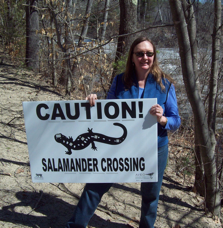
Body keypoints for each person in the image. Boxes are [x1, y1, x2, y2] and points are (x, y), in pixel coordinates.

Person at [66, 36, 181, 228]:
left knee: (151, 195)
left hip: (155, 147)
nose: (145, 57)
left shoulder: (165, 84)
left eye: (149, 53)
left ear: (154, 56)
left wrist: (162, 119)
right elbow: (107, 110)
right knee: (96, 184)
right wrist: (93, 102)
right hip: (120, 145)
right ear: (133, 57)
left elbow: (176, 120)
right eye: (140, 53)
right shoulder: (120, 80)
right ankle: (75, 225)